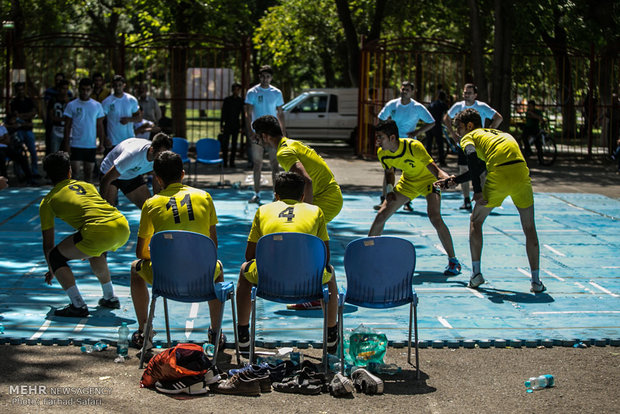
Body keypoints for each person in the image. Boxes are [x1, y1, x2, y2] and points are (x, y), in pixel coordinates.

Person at [434, 108, 545, 293]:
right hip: (521, 173)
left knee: (475, 222)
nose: (458, 133)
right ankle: (536, 281)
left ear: (469, 126)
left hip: (499, 174)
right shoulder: (498, 134)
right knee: (529, 227)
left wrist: (477, 191)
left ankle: (476, 274)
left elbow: (470, 157)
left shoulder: (469, 137)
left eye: (459, 128)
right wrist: (455, 180)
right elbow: (478, 167)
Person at [235, 172, 339, 353]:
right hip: (308, 282)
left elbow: (249, 255)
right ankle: (331, 333)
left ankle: (243, 333)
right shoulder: (316, 211)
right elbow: (325, 257)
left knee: (245, 270)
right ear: (302, 196)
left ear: (276, 195)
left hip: (269, 281)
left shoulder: (263, 211)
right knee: (329, 273)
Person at [129, 151, 224, 349]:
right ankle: (216, 332)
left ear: (157, 178)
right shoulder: (204, 197)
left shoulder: (150, 204)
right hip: (201, 277)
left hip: (165, 278)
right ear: (182, 174)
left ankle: (144, 330)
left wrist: (161, 259)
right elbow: (212, 246)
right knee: (218, 269)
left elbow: (141, 252)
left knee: (135, 268)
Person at [39, 151, 130, 317]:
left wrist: (53, 268)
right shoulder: (87, 186)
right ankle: (110, 297)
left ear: (48, 175)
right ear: (69, 171)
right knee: (96, 252)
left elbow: (48, 246)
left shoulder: (48, 202)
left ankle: (77, 305)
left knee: (55, 256)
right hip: (121, 224)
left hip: (97, 230)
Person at [369, 119, 462, 276]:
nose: (377, 141)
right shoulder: (382, 153)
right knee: (381, 216)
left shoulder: (414, 147)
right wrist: (390, 190)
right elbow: (390, 172)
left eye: (381, 137)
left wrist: (446, 179)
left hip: (428, 181)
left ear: (392, 138)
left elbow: (436, 170)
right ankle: (367, 256)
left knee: (435, 217)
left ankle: (453, 260)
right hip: (408, 183)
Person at [377, 81, 435, 212]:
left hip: (408, 145)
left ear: (412, 91)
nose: (404, 91)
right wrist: (386, 132)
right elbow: (381, 118)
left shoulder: (417, 107)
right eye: (403, 89)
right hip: (392, 143)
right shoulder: (392, 104)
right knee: (388, 170)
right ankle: (384, 198)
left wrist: (417, 132)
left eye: (407, 89)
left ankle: (407, 201)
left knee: (408, 172)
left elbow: (431, 122)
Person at [443, 83, 503, 211]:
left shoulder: (481, 106)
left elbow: (498, 118)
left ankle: (484, 197)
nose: (466, 95)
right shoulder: (458, 106)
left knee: (480, 172)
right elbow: (446, 118)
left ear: (475, 95)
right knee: (464, 170)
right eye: (465, 92)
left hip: (477, 145)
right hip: (464, 144)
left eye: (469, 93)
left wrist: (488, 132)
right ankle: (466, 200)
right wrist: (453, 134)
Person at [244, 65, 286, 204]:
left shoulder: (277, 92)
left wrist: (283, 132)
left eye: (268, 76)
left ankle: (276, 195)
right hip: (258, 134)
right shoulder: (252, 92)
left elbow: (280, 113)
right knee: (257, 164)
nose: (265, 79)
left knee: (275, 165)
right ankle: (257, 193)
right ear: (259, 77)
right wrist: (251, 131)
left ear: (271, 78)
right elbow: (248, 113)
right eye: (263, 76)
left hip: (273, 134)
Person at [99, 133, 173, 209]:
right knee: (109, 210)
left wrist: (159, 205)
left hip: (131, 174)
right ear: (151, 150)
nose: (162, 157)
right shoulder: (131, 155)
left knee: (150, 209)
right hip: (110, 172)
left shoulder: (162, 158)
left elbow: (157, 181)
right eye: (160, 154)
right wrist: (103, 204)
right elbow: (106, 179)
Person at [62, 77, 106, 182]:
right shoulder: (72, 105)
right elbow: (67, 126)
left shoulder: (97, 105)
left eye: (88, 90)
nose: (85, 92)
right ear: (79, 89)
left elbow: (100, 126)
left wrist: (101, 143)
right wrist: (66, 143)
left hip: (90, 144)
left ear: (91, 90)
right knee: (74, 173)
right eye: (82, 89)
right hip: (75, 144)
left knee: (88, 174)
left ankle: (87, 197)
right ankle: (74, 196)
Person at [101, 75, 140, 152]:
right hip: (113, 141)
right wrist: (105, 138)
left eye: (120, 85)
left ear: (124, 85)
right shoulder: (107, 102)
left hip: (129, 140)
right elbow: (101, 122)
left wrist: (129, 119)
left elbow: (139, 117)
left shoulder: (131, 100)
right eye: (115, 85)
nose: (117, 87)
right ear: (112, 86)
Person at [9, 82, 40, 177]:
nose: (21, 92)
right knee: (18, 152)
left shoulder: (29, 101)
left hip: (28, 129)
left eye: (22, 89)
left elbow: (33, 113)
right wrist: (26, 117)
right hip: (19, 130)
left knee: (33, 152)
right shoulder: (14, 102)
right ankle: (20, 173)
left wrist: (21, 117)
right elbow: (14, 117)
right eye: (18, 90)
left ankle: (35, 172)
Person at [0, 117, 35, 185]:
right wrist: (2, 138)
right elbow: (5, 139)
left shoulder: (2, 128)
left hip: (6, 148)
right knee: (1, 158)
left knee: (21, 157)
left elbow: (8, 141)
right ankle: (4, 180)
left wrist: (3, 139)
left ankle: (29, 178)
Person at [220, 83, 244, 168]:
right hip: (227, 124)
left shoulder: (240, 101)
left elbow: (243, 114)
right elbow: (223, 113)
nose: (237, 92)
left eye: (238, 90)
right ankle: (225, 162)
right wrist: (221, 124)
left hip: (236, 124)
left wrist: (243, 126)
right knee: (225, 144)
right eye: (235, 90)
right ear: (232, 90)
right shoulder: (227, 100)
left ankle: (232, 162)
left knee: (234, 144)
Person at [425, 91, 450, 166]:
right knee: (440, 143)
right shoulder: (443, 104)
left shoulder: (431, 104)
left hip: (428, 125)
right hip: (437, 125)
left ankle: (427, 161)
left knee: (429, 143)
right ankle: (442, 161)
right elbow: (446, 115)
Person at [46, 79, 71, 153]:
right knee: (54, 152)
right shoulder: (53, 100)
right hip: (56, 129)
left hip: (67, 130)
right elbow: (51, 116)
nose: (65, 91)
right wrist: (62, 119)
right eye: (63, 88)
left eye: (67, 89)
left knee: (67, 152)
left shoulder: (71, 101)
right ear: (59, 89)